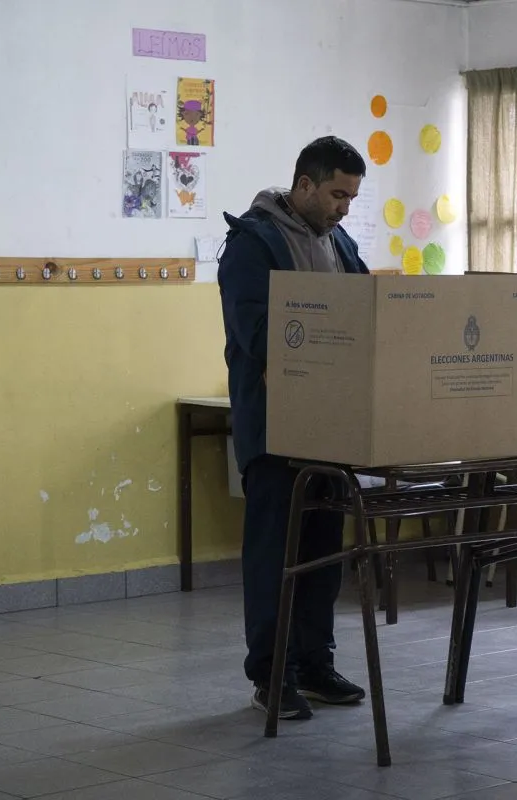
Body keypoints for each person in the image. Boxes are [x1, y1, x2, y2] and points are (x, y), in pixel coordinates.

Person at [218, 137, 370, 721]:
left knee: (322, 553)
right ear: (304, 184)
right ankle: (271, 674)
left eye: (351, 197)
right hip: (273, 426)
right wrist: (327, 344)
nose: (343, 208)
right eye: (336, 194)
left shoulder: (339, 242)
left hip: (331, 427)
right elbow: (258, 334)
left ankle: (313, 664)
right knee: (272, 554)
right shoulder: (253, 244)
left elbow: (366, 312)